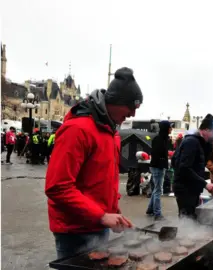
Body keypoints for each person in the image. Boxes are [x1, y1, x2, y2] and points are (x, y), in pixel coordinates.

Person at [45, 67, 142, 259]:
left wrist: (113, 210)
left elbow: (101, 178)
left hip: (98, 225)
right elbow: (57, 187)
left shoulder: (111, 131)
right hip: (75, 232)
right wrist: (102, 215)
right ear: (116, 101)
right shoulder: (77, 129)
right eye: (130, 107)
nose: (132, 114)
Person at [172, 114, 213, 219]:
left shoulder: (201, 143)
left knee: (192, 218)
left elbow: (200, 163)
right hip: (185, 189)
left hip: (192, 188)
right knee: (187, 221)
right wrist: (205, 184)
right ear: (206, 130)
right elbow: (184, 168)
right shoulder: (191, 142)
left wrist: (209, 144)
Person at [146, 120, 172, 221]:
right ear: (166, 128)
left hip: (158, 166)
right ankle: (157, 214)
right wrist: (163, 161)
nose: (171, 129)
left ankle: (150, 209)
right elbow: (156, 154)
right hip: (158, 167)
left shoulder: (163, 138)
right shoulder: (159, 139)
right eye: (170, 127)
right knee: (158, 191)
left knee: (156, 189)